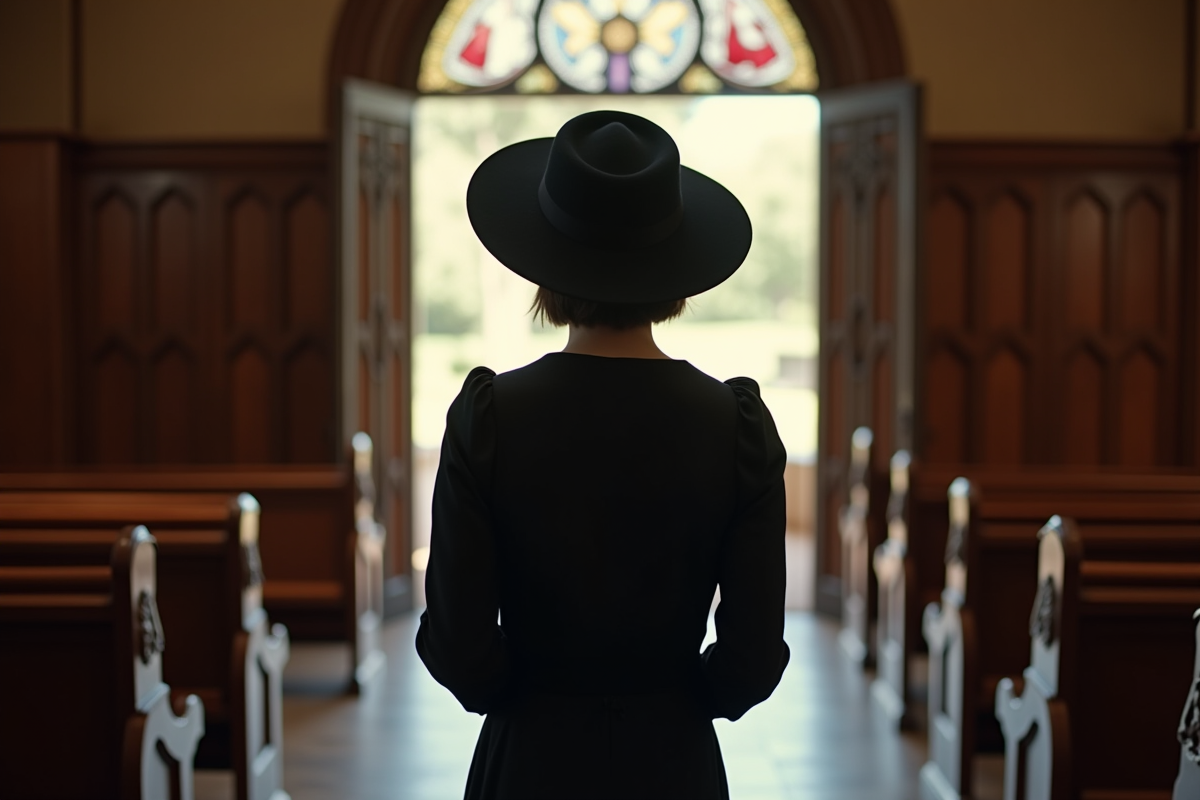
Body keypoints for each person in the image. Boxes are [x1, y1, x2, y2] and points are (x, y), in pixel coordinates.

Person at [416, 109, 789, 800]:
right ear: (674, 266)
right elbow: (752, 658)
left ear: (544, 265)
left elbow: (459, 646)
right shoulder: (737, 428)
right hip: (673, 761)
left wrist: (525, 694)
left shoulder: (489, 419)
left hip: (529, 757)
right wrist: (676, 700)